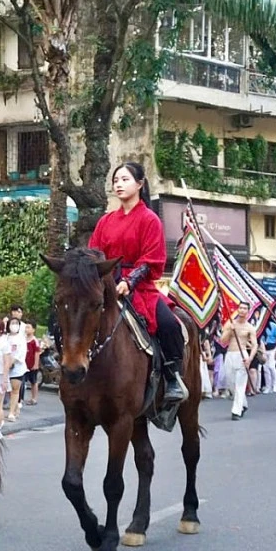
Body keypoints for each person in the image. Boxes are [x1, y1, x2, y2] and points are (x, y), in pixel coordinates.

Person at [88, 161, 187, 404]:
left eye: (124, 179)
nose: (118, 184)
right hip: (109, 286)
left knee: (169, 324)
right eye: (116, 180)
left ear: (140, 184)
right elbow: (94, 255)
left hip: (139, 288)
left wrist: (129, 281)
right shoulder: (105, 221)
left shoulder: (150, 219)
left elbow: (151, 258)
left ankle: (173, 377)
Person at [220, 302, 258, 421]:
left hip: (242, 356)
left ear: (248, 312)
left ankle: (236, 411)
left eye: (245, 309)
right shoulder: (231, 324)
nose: (242, 310)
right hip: (230, 355)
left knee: (240, 385)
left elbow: (255, 345)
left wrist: (249, 359)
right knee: (231, 384)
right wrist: (229, 331)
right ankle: (244, 404)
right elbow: (222, 340)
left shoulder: (250, 328)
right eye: (240, 308)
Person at [5, 317, 28, 422]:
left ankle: (12, 412)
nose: (14, 325)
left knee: (15, 390)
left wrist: (12, 362)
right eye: (12, 323)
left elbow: (21, 353)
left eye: (16, 323)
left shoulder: (21, 338)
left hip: (17, 368)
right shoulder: (6, 337)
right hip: (4, 367)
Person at [23, 323, 42, 406]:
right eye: (26, 327)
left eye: (28, 327)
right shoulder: (23, 339)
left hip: (32, 365)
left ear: (33, 330)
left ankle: (34, 398)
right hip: (24, 365)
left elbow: (37, 353)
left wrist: (35, 364)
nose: (26, 329)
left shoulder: (34, 341)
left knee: (33, 382)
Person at [260, 318, 276, 394]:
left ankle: (275, 385)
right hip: (264, 348)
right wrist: (263, 352)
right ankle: (268, 386)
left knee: (272, 367)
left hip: (273, 349)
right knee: (265, 368)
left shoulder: (274, 326)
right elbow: (261, 340)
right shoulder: (261, 327)